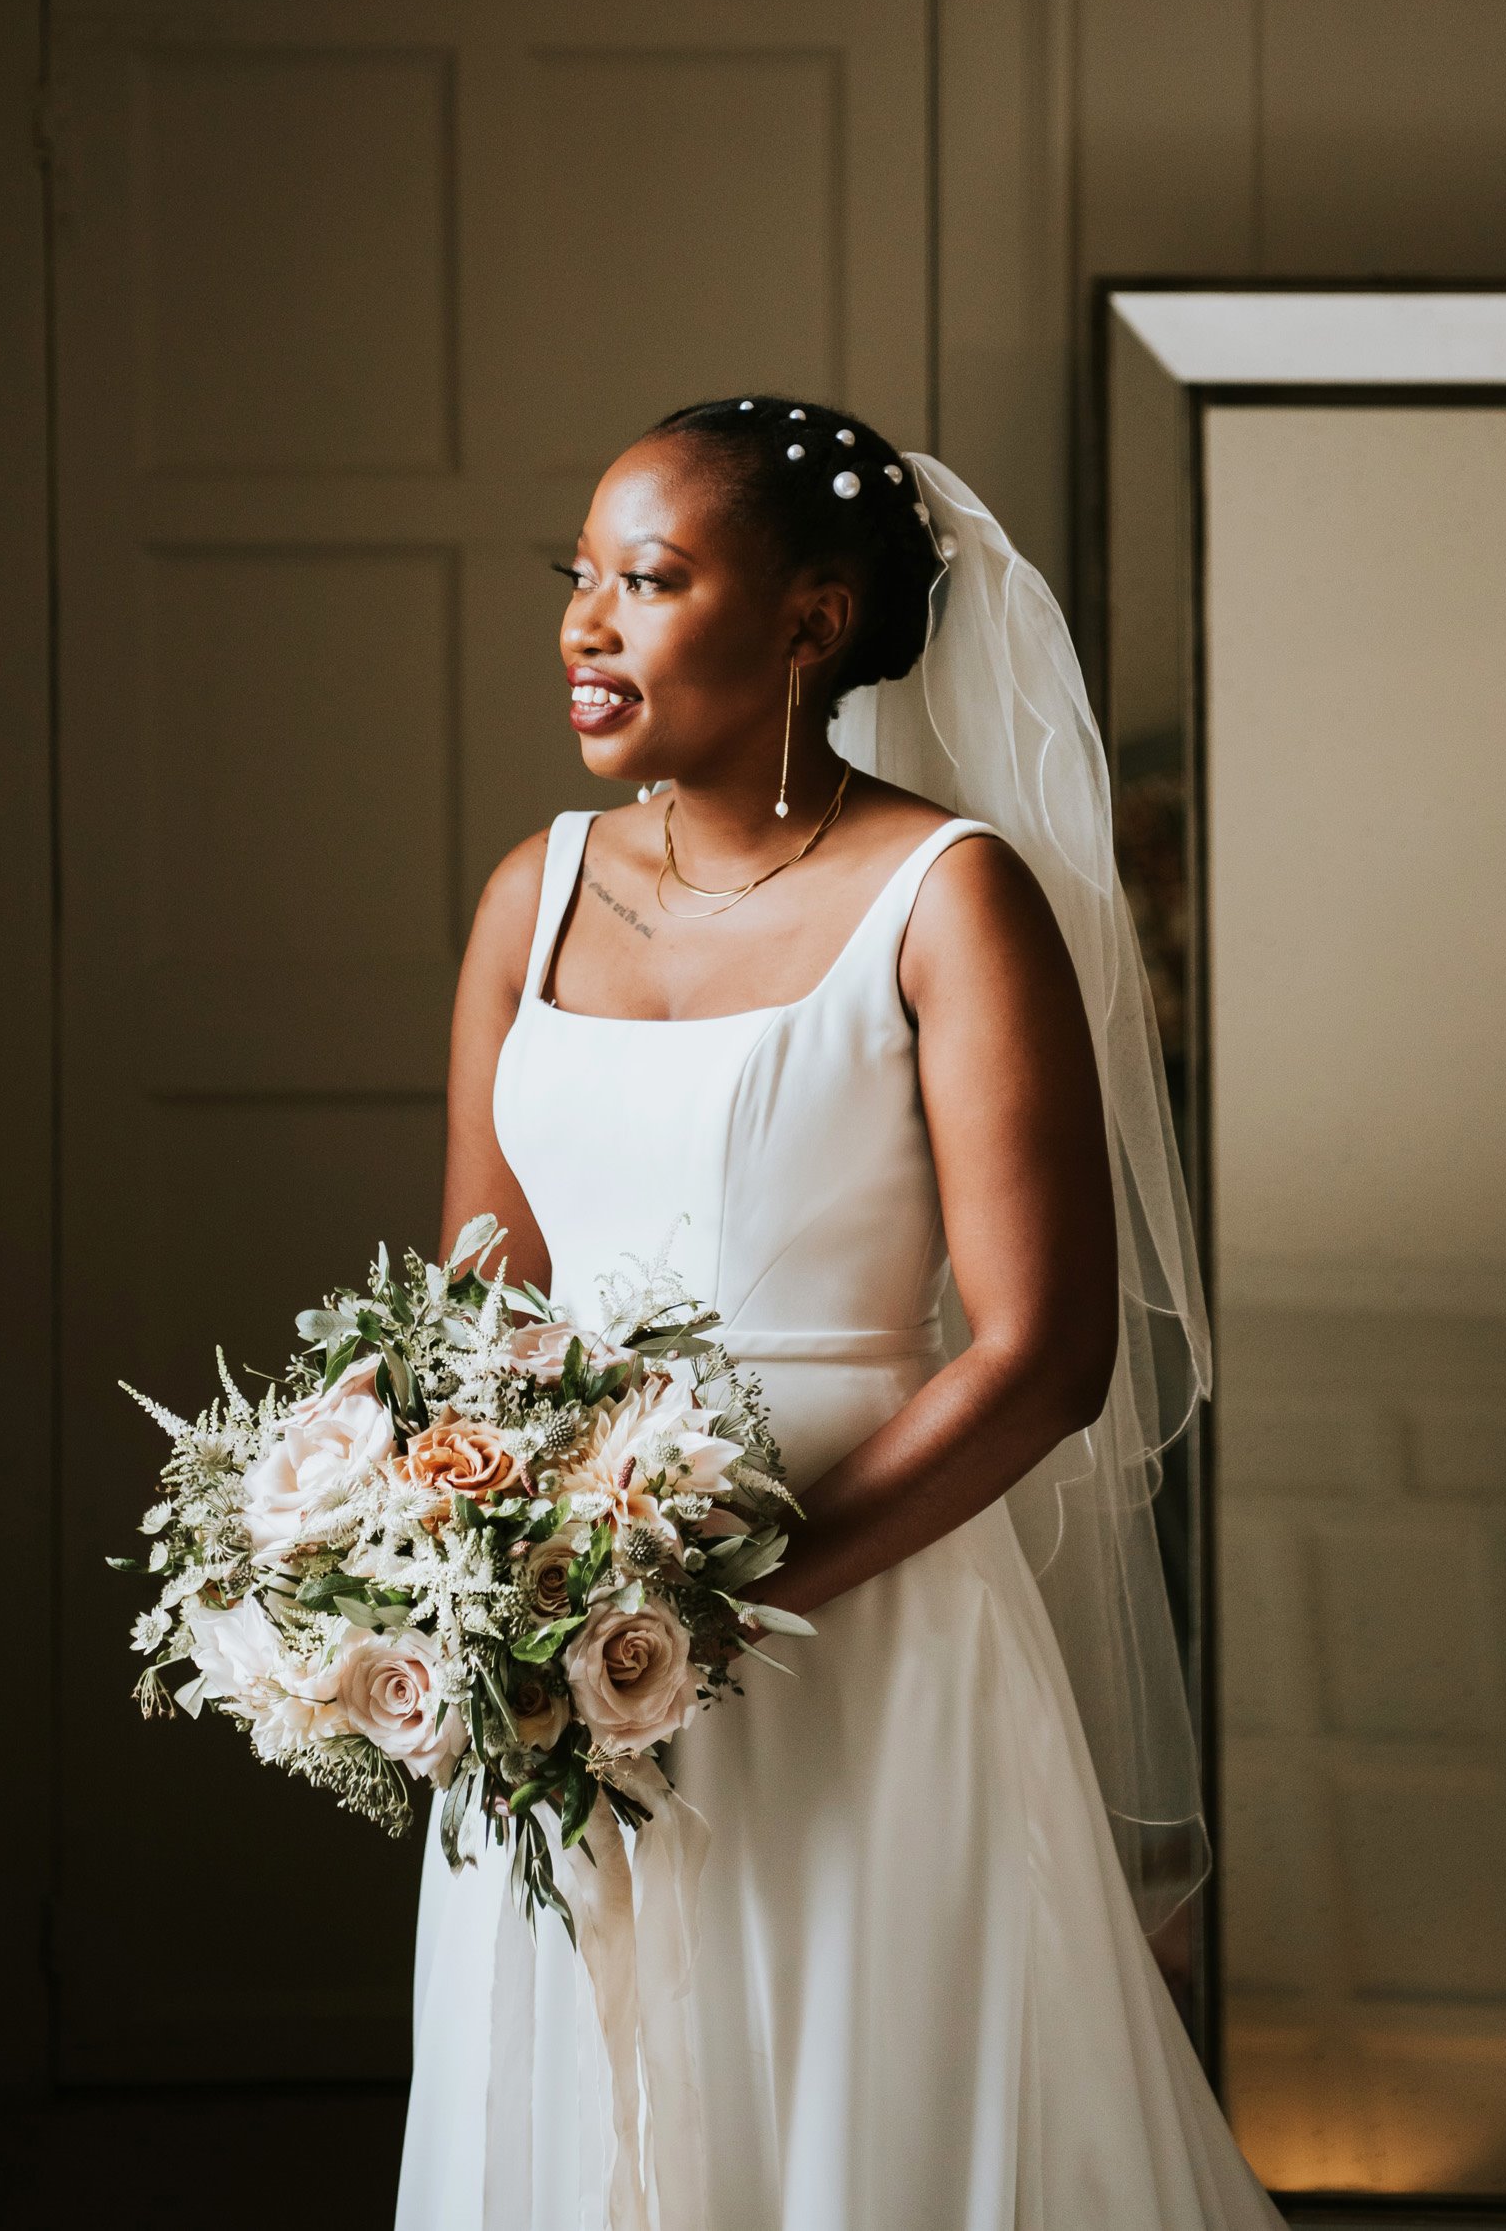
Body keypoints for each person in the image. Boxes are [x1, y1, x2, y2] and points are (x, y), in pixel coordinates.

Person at [395, 396, 1281, 2231]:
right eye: (580, 578)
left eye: (649, 579)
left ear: (808, 620)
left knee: (860, 2119)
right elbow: (481, 1307)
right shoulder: (526, 897)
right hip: (556, 1653)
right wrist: (479, 1571)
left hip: (858, 1632)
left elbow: (1046, 1356)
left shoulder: (951, 901)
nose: (585, 625)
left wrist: (734, 1601)